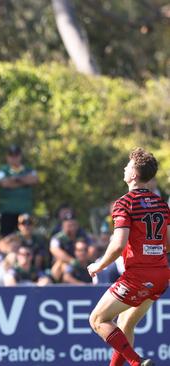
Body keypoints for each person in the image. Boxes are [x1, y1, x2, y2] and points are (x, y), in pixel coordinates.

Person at [88, 147, 169, 366]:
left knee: (97, 320)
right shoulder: (161, 204)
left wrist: (99, 265)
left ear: (134, 174)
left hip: (138, 276)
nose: (124, 168)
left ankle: (136, 362)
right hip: (161, 275)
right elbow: (168, 242)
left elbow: (118, 244)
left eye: (128, 165)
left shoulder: (124, 203)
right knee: (124, 325)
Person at [0, 145, 39, 236]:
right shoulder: (2, 170)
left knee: (26, 237)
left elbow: (34, 180)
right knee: (7, 238)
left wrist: (14, 179)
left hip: (25, 210)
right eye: (11, 155)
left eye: (16, 155)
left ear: (20, 156)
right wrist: (24, 181)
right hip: (8, 211)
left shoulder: (29, 169)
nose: (14, 158)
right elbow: (4, 183)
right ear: (7, 157)